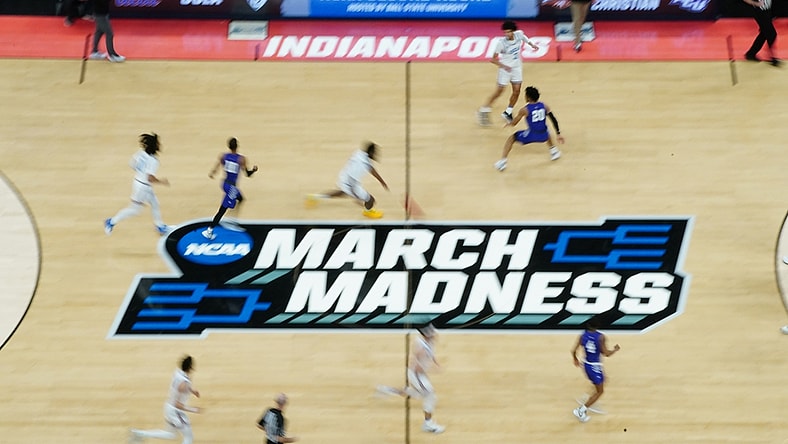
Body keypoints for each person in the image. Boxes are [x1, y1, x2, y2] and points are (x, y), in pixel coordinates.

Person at [375, 324, 445, 434]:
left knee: (415, 394)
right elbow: (417, 367)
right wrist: (432, 369)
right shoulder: (421, 348)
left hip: (419, 374)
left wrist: (436, 363)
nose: (434, 333)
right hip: (416, 374)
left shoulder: (429, 341)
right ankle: (428, 424)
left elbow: (431, 353)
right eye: (432, 332)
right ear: (426, 335)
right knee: (430, 396)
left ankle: (386, 390)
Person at [104, 133, 172, 236]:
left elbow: (132, 164)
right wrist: (162, 181)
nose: (159, 145)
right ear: (154, 146)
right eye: (158, 143)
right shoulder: (153, 161)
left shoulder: (140, 153)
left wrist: (141, 173)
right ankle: (111, 221)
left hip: (139, 182)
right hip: (143, 187)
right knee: (135, 210)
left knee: (155, 203)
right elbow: (150, 178)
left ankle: (160, 226)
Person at [477, 21, 539, 126]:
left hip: (516, 68)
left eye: (509, 32)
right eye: (505, 32)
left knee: (517, 91)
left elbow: (524, 38)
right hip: (505, 69)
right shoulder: (501, 43)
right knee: (499, 91)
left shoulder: (519, 34)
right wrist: (504, 66)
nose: (507, 35)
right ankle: (484, 109)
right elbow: (493, 59)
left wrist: (532, 45)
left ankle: (508, 112)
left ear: (513, 31)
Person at [305, 142, 388, 219]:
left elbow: (371, 169)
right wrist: (356, 198)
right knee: (370, 200)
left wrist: (382, 181)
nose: (376, 154)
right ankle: (367, 212)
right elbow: (352, 184)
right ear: (370, 152)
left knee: (341, 193)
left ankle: (314, 197)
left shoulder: (359, 153)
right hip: (350, 183)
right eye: (374, 152)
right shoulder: (361, 166)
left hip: (344, 176)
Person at [129, 355, 202, 444]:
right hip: (176, 411)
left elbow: (182, 386)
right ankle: (139, 434)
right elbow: (178, 404)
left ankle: (139, 434)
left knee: (170, 434)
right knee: (188, 437)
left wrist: (192, 391)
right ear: (190, 367)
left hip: (168, 408)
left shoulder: (178, 372)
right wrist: (194, 409)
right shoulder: (184, 384)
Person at [494, 86, 564, 172]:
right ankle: (554, 151)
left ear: (527, 97)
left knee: (511, 138)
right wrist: (558, 133)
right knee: (544, 128)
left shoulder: (524, 110)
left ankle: (503, 162)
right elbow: (553, 119)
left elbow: (514, 123)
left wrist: (509, 124)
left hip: (532, 135)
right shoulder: (544, 106)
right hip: (544, 136)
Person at [201, 137, 258, 240]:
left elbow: (216, 167)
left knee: (240, 199)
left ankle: (232, 219)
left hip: (225, 183)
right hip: (232, 187)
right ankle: (209, 229)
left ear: (229, 146)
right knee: (222, 209)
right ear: (237, 146)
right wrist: (253, 170)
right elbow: (247, 174)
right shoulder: (241, 159)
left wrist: (212, 173)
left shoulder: (223, 156)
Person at [571, 319, 620, 423]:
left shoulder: (582, 335)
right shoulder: (601, 337)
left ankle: (589, 399)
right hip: (594, 367)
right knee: (600, 391)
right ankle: (581, 410)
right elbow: (606, 353)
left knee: (604, 380)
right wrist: (615, 350)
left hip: (586, 364)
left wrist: (575, 359)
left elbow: (573, 350)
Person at [742, 0, 781, 67]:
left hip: (767, 10)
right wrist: (755, 3)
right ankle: (772, 57)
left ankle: (751, 54)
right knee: (772, 34)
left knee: (764, 33)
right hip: (760, 11)